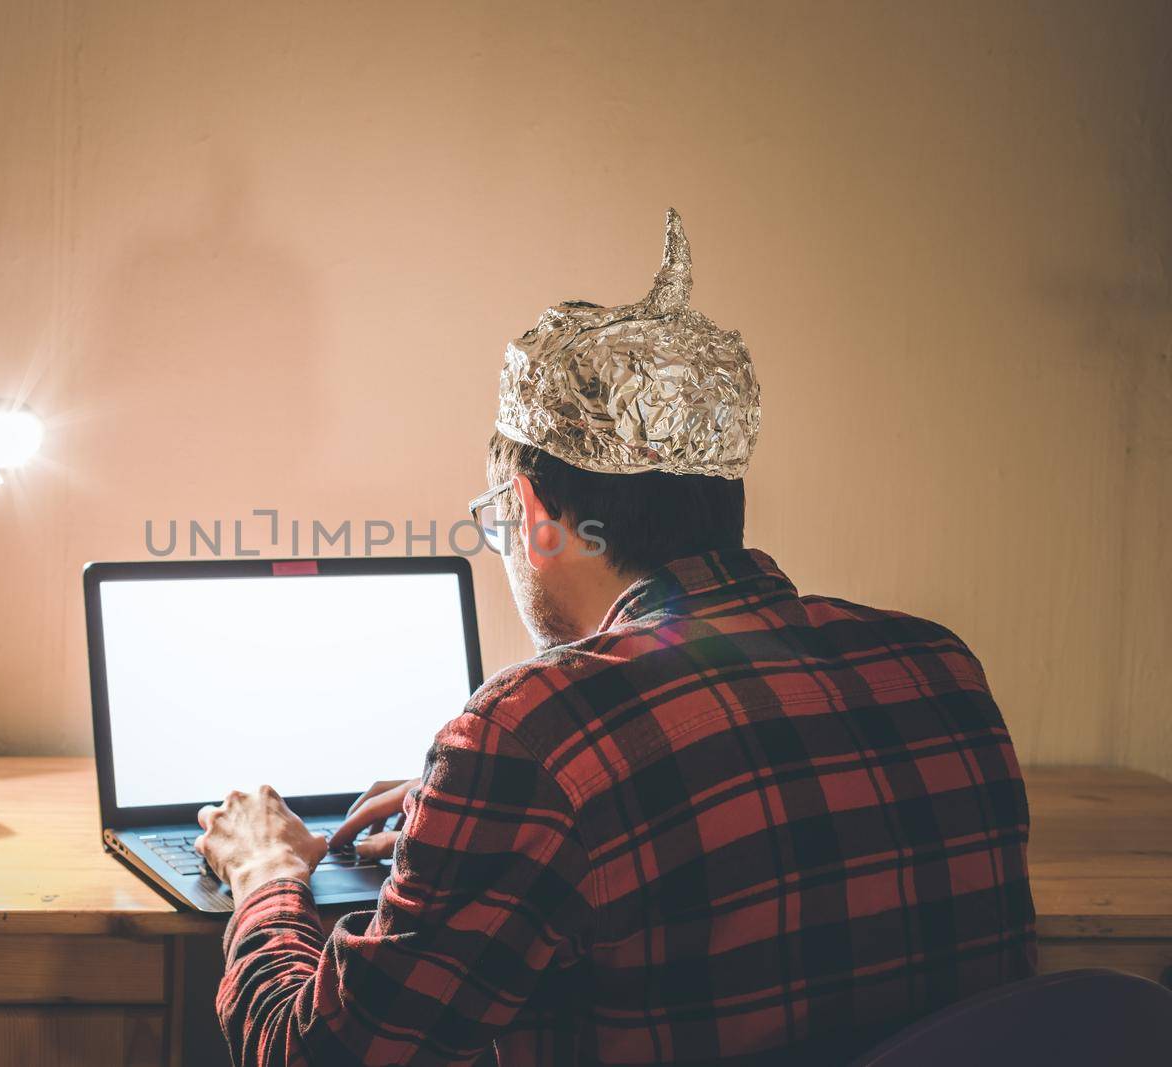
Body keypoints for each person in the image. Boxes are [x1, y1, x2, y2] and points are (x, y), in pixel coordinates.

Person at [194, 210, 1037, 1065]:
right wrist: (466, 813)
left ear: (532, 513)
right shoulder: (936, 665)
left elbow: (313, 1054)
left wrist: (266, 867)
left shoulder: (532, 733)